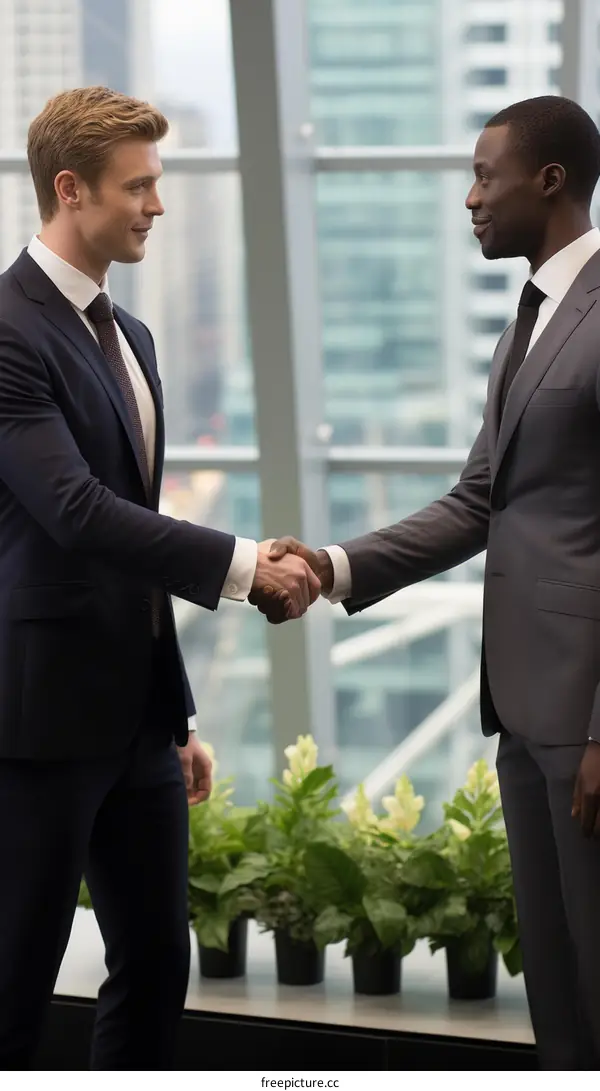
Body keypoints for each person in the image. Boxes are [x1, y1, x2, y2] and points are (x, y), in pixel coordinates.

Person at [266, 96, 600, 1070]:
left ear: (549, 180)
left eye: (484, 175)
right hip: (525, 711)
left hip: (585, 725)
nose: (469, 198)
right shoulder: (534, 319)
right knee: (559, 988)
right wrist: (331, 567)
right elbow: (481, 497)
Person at [0, 85, 320, 1071]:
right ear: (71, 189)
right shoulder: (8, 330)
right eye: (138, 186)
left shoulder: (131, 338)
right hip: (39, 719)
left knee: (156, 969)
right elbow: (78, 513)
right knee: (15, 975)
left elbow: (129, 545)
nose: (157, 205)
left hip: (136, 720)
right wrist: (242, 564)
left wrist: (175, 716)